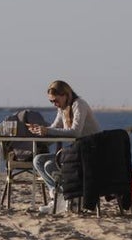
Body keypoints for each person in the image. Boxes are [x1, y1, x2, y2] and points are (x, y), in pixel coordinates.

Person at [28, 80, 101, 214]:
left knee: (50, 165)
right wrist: (40, 130)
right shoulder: (62, 109)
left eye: (55, 100)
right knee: (38, 160)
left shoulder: (79, 104)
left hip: (89, 152)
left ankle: (63, 198)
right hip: (76, 152)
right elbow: (55, 128)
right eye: (51, 101)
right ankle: (57, 197)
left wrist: (48, 131)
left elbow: (75, 132)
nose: (54, 104)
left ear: (65, 95)